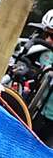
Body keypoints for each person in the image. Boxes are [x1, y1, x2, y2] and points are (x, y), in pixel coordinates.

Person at [34, 10, 53, 146]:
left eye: (52, 36)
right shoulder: (44, 51)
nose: (47, 40)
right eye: (46, 34)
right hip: (40, 113)